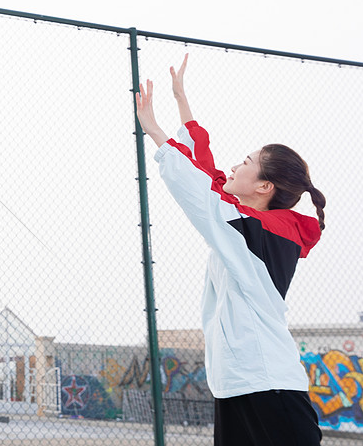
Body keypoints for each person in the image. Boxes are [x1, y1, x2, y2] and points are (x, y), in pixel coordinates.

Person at [134, 55, 327, 446]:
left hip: (270, 384)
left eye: (247, 162)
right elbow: (210, 178)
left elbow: (202, 193)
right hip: (237, 384)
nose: (235, 166)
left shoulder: (263, 231)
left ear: (264, 187)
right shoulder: (245, 223)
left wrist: (154, 130)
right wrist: (182, 102)